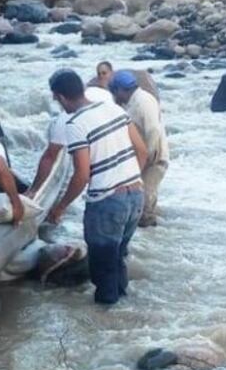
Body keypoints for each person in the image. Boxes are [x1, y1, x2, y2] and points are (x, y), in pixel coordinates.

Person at [44, 70, 148, 307]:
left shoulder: (76, 124)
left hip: (107, 202)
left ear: (60, 97)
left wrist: (59, 207)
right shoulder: (114, 108)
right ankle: (123, 312)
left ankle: (107, 320)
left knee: (102, 269)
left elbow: (82, 175)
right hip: (135, 195)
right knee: (118, 257)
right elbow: (142, 151)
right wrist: (128, 178)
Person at [27, 70, 113, 197]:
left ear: (61, 97)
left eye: (56, 99)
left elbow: (50, 157)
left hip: (103, 194)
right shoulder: (104, 96)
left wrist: (34, 190)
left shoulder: (65, 123)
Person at [109, 70, 169, 227]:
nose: (115, 97)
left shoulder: (144, 102)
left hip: (154, 159)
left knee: (145, 201)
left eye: (115, 92)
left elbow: (153, 130)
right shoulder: (133, 102)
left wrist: (148, 153)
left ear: (121, 90)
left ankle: (150, 237)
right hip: (143, 158)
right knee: (139, 200)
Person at [87, 61, 160, 100]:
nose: (101, 76)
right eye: (99, 74)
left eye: (104, 73)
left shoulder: (120, 86)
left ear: (111, 72)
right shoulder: (95, 89)